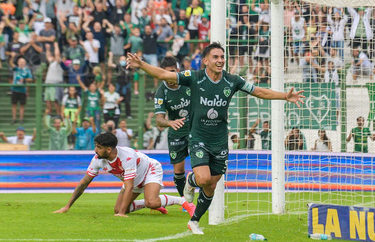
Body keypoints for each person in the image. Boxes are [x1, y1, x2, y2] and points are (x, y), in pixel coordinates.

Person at [127, 42, 304, 234]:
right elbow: (164, 75)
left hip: (220, 139)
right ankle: (192, 180)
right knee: (203, 179)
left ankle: (194, 221)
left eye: (222, 57)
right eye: (215, 57)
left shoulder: (232, 80)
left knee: (212, 184)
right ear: (205, 61)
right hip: (198, 137)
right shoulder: (194, 77)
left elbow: (259, 91)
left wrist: (285, 96)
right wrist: (142, 64)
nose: (220, 61)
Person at [53, 132, 195, 217]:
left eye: (99, 147)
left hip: (149, 170)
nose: (95, 150)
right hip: (133, 179)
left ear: (109, 150)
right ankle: (152, 204)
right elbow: (84, 182)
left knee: (149, 201)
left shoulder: (126, 156)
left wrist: (121, 214)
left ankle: (183, 201)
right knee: (120, 208)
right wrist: (67, 206)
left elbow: (128, 187)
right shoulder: (97, 159)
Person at [154, 56, 192, 198]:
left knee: (200, 165)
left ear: (176, 70)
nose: (168, 76)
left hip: (195, 130)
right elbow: (159, 120)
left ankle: (195, 184)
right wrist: (170, 122)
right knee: (178, 171)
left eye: (171, 72)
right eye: (165, 73)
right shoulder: (161, 92)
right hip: (176, 132)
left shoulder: (187, 81)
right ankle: (186, 201)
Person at [11, 56, 33, 125]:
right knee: (14, 104)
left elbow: (30, 79)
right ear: (18, 63)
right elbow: (11, 64)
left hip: (22, 90)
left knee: (22, 105)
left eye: (23, 62)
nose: (21, 63)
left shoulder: (27, 70)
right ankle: (14, 119)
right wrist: (12, 57)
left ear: (25, 63)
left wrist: (24, 80)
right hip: (14, 89)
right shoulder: (16, 69)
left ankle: (21, 119)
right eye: (20, 62)